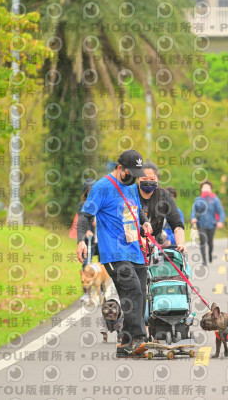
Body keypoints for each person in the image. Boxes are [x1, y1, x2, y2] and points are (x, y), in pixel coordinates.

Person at [76, 149, 153, 358]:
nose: (133, 178)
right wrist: (81, 240)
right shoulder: (101, 187)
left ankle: (125, 343)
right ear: (120, 168)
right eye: (131, 173)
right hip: (114, 252)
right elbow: (85, 216)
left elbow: (137, 210)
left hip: (135, 250)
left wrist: (145, 223)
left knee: (139, 294)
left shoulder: (132, 187)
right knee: (133, 289)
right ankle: (139, 337)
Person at [136, 162, 186, 253]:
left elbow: (177, 224)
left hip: (155, 246)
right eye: (144, 178)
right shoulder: (130, 194)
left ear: (157, 179)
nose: (148, 181)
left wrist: (180, 243)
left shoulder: (164, 196)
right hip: (132, 245)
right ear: (138, 179)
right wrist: (140, 240)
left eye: (152, 179)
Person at [191, 181, 225, 265]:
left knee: (210, 242)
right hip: (201, 224)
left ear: (210, 189)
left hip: (212, 224)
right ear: (201, 189)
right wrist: (193, 218)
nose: (205, 189)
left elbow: (221, 212)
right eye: (204, 187)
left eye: (207, 187)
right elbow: (193, 211)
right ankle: (204, 261)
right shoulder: (198, 200)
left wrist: (220, 221)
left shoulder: (215, 200)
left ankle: (210, 253)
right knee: (202, 241)